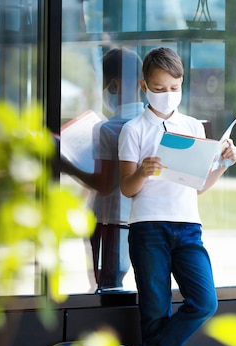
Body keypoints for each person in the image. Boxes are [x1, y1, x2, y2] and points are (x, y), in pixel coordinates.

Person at [117, 47, 236, 346]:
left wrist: (223, 165)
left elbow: (198, 185)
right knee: (155, 308)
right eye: (159, 86)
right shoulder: (133, 130)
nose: (167, 92)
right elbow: (126, 188)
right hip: (148, 227)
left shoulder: (193, 126)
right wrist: (143, 171)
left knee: (204, 302)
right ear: (144, 86)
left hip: (188, 227)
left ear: (181, 84)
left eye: (174, 86)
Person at [61, 47, 144, 292]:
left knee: (105, 287)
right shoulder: (150, 124)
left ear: (114, 85)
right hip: (139, 219)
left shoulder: (108, 129)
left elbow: (104, 184)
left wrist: (65, 164)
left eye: (102, 84)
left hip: (109, 222)